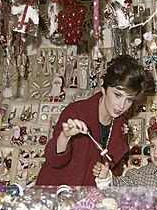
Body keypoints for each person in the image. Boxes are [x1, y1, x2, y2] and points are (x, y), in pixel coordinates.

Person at [36, 55, 146, 186]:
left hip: (90, 199)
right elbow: (54, 160)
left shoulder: (121, 125)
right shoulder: (76, 112)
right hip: (58, 193)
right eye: (117, 95)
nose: (122, 105)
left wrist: (106, 174)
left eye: (129, 99)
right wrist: (64, 137)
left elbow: (113, 169)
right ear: (104, 89)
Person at [93, 122, 157, 188]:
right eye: (153, 146)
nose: (155, 152)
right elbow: (118, 186)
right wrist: (105, 178)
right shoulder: (139, 176)